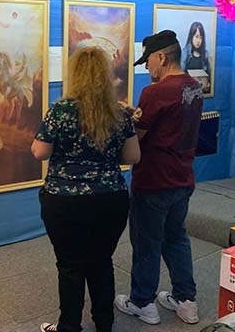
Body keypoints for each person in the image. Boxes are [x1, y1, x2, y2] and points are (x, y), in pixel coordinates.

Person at [31, 47, 141, 332]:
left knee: (70, 265)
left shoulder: (60, 111)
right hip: (110, 198)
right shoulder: (119, 113)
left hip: (64, 200)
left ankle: (69, 326)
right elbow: (133, 156)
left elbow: (40, 152)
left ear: (75, 75)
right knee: (102, 262)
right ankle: (104, 324)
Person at [115, 30, 204, 325]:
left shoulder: (154, 92)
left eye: (148, 61)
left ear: (161, 57)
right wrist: (137, 113)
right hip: (183, 178)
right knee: (176, 238)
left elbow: (137, 137)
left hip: (154, 181)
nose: (147, 68)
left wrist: (125, 120)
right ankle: (186, 300)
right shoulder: (194, 87)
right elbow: (170, 122)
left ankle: (142, 302)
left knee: (146, 243)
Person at [181, 21, 211, 92]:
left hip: (201, 91)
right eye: (196, 37)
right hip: (187, 90)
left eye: (201, 38)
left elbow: (209, 76)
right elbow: (181, 75)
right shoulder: (185, 53)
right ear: (191, 37)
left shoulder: (205, 54)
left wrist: (207, 83)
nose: (198, 41)